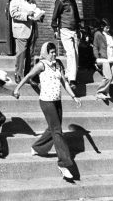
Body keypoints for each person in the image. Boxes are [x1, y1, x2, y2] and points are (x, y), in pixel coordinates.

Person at [13, 42, 81, 180]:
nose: (54, 54)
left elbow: (64, 82)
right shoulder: (41, 65)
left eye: (55, 52)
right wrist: (17, 88)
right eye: (51, 52)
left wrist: (73, 96)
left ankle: (37, 148)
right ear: (45, 53)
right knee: (57, 131)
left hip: (57, 101)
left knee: (53, 128)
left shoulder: (58, 64)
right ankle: (63, 163)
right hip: (46, 101)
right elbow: (27, 77)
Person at [9, 0, 45, 84]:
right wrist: (26, 15)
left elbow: (35, 15)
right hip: (21, 31)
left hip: (33, 31)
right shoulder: (15, 1)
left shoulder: (33, 3)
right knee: (21, 54)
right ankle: (18, 75)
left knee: (31, 54)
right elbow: (13, 14)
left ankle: (29, 76)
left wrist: (40, 16)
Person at [51, 0, 81, 90]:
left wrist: (79, 29)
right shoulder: (60, 1)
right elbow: (54, 17)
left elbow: (76, 16)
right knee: (70, 53)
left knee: (75, 54)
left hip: (74, 31)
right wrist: (55, 30)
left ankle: (69, 74)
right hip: (65, 30)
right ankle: (72, 80)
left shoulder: (73, 1)